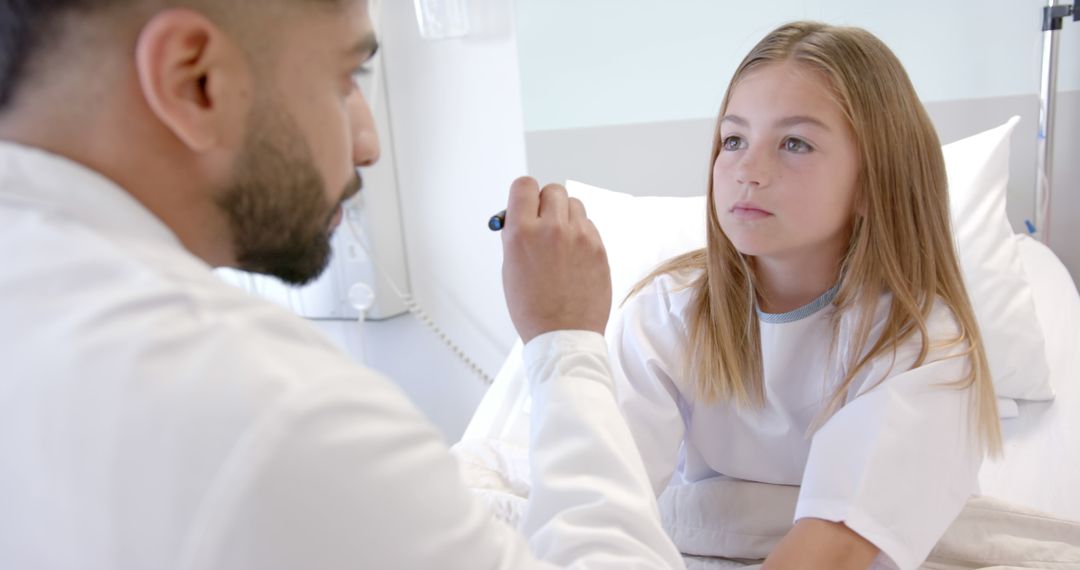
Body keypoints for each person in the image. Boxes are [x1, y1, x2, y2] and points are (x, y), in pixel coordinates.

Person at [0, 1, 684, 568]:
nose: (368, 143)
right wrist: (566, 340)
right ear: (194, 78)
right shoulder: (275, 412)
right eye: (344, 78)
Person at [610, 21, 1003, 570]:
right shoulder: (665, 312)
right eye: (733, 140)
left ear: (873, 181)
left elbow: (836, 547)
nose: (747, 170)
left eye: (795, 143)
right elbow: (607, 507)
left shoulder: (921, 344)